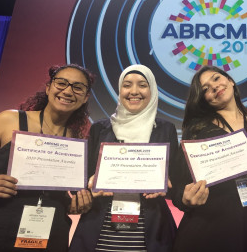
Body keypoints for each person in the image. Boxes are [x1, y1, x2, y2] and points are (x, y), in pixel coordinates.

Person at [171, 66, 247, 252]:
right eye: (205, 89)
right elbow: (177, 187)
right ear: (203, 100)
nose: (214, 87)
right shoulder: (196, 133)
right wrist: (184, 199)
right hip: (211, 233)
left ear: (230, 81)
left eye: (216, 79)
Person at [69, 64, 178, 252]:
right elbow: (79, 181)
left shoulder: (166, 130)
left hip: (150, 232)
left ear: (152, 90)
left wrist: (166, 185)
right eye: (127, 85)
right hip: (100, 232)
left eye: (142, 85)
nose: (134, 91)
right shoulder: (100, 129)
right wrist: (89, 184)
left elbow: (175, 181)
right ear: (120, 90)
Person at [0, 63, 94, 251]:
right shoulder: (9, 120)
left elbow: (63, 196)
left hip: (51, 234)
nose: (67, 91)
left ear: (85, 97)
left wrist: (75, 204)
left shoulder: (76, 143)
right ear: (48, 87)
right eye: (61, 83)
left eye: (77, 87)